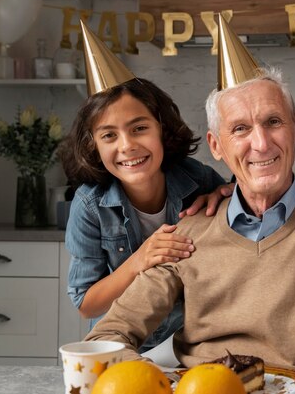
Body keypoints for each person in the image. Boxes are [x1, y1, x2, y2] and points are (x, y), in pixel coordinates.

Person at [84, 68, 295, 373]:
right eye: (240, 129)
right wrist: (161, 382)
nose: (260, 144)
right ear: (216, 146)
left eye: (273, 122)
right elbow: (106, 336)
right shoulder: (187, 233)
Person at [59, 77, 225, 352]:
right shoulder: (89, 205)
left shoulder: (199, 179)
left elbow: (247, 219)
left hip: (191, 344)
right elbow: (87, 305)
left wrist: (226, 195)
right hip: (121, 345)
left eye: (139, 128)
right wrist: (139, 260)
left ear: (162, 129)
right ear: (94, 146)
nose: (127, 146)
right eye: (109, 135)